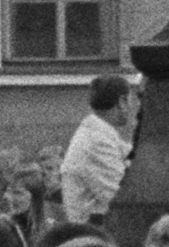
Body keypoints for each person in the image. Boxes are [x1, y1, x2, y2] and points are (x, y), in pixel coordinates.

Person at [53, 73, 137, 237]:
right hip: (92, 237)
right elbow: (123, 196)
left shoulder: (99, 134)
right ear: (121, 102)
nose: (133, 108)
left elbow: (132, 155)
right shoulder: (96, 141)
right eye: (130, 100)